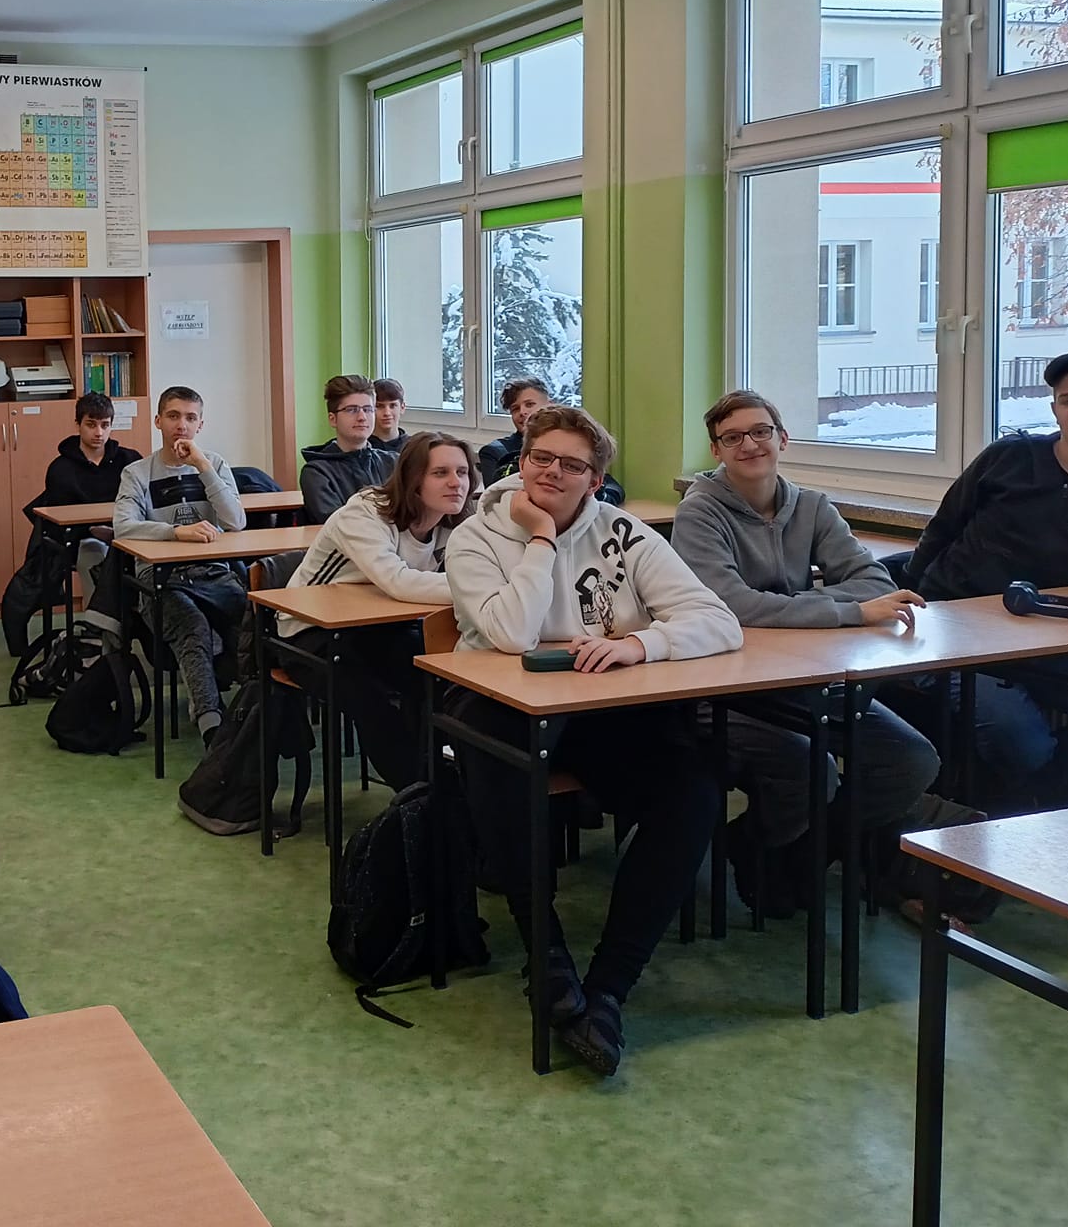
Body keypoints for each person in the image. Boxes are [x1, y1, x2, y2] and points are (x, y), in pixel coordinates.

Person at [447, 406, 738, 1076]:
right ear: (521, 461)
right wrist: (542, 539)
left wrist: (643, 643)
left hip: (602, 709)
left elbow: (716, 620)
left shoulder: (624, 532)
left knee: (693, 791)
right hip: (499, 705)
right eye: (540, 458)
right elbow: (510, 635)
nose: (552, 471)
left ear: (596, 479)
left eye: (572, 465)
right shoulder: (476, 536)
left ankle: (609, 987)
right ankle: (545, 952)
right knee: (502, 767)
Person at [670, 390, 940, 914]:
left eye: (761, 432)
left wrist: (798, 607)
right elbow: (731, 604)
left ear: (783, 439)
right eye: (732, 437)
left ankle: (796, 852)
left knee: (911, 760)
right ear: (716, 450)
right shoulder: (699, 512)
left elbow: (874, 582)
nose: (749, 444)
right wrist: (844, 611)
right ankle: (764, 843)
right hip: (722, 688)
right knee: (809, 768)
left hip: (804, 677)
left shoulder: (812, 506)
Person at [897, 350, 1068, 807]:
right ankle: (1018, 817)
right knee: (1020, 739)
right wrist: (912, 606)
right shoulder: (1009, 457)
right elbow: (941, 530)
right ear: (1055, 410)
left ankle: (1045, 809)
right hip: (956, 637)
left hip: (1056, 645)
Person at [277, 432, 474, 787]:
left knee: (438, 680)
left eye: (462, 473)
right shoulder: (365, 512)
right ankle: (420, 796)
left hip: (379, 628)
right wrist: (480, 589)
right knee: (373, 705)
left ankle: (444, 780)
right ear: (413, 479)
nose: (456, 483)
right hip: (307, 631)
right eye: (440, 473)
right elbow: (398, 582)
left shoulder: (455, 522)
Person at [114, 385, 248, 742]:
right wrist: (175, 532)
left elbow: (236, 521)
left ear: (200, 425)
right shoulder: (137, 473)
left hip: (213, 573)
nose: (181, 425)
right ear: (158, 420)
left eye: (190, 418)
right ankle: (210, 723)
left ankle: (256, 712)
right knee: (192, 626)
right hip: (161, 579)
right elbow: (123, 526)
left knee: (251, 619)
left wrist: (202, 466)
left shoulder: (214, 464)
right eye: (173, 416)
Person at [23, 392, 145, 602]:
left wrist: (118, 530)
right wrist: (93, 530)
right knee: (93, 555)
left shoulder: (130, 460)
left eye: (105, 425)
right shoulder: (60, 468)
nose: (99, 432)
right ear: (78, 424)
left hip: (126, 532)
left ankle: (140, 616)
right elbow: (60, 522)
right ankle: (97, 619)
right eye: (91, 424)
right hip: (82, 538)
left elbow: (142, 503)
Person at [477, 380, 627, 505]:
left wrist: (598, 501)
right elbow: (496, 497)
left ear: (550, 405)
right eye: (515, 409)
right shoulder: (495, 451)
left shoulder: (571, 446)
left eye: (529, 404)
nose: (522, 412)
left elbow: (612, 486)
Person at [299, 374, 397, 523]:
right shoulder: (316, 473)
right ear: (333, 419)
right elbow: (338, 524)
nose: (362, 417)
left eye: (368, 409)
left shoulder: (393, 462)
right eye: (352, 410)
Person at [371, 377, 407, 453]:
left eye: (392, 406)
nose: (387, 413)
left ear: (402, 407)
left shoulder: (413, 447)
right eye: (379, 406)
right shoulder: (361, 447)